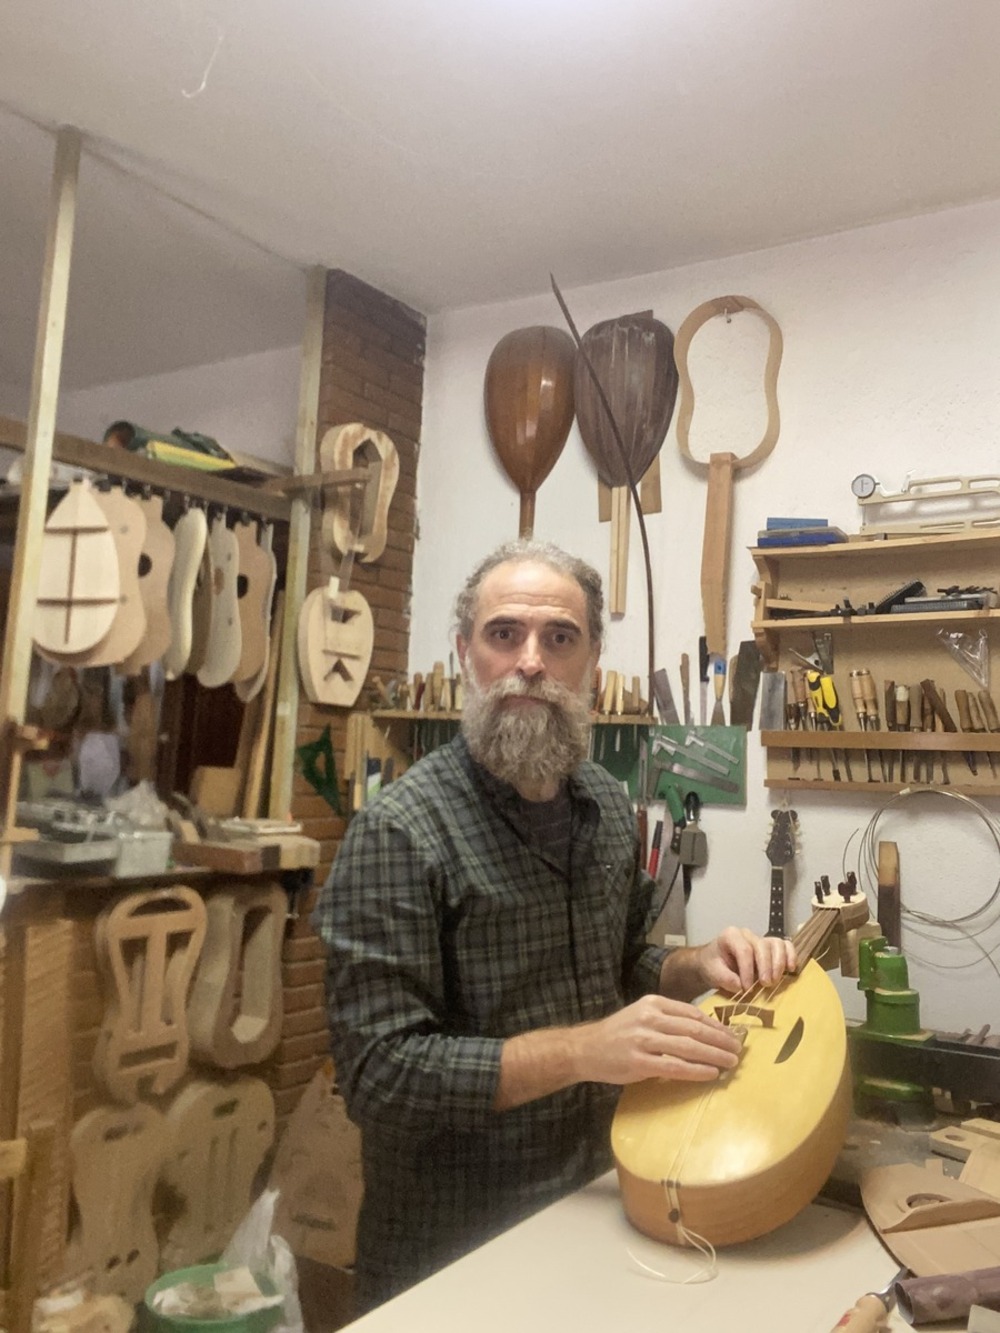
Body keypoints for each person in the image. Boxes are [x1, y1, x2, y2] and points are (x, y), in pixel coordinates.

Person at [315, 539, 795, 1311]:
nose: (531, 661)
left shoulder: (606, 805)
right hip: (452, 1248)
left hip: (602, 1202)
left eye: (559, 638)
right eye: (504, 634)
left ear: (593, 664)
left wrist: (698, 963)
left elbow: (625, 962)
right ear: (465, 654)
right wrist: (584, 1049)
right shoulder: (399, 833)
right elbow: (380, 1077)